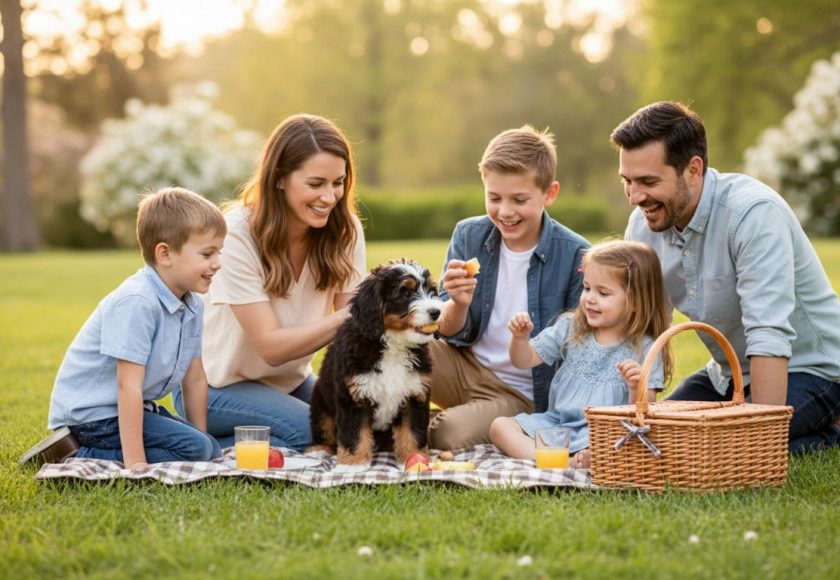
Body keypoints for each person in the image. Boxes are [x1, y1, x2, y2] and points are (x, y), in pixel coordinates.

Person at [613, 101, 840, 453]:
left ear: (693, 170)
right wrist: (644, 414)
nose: (635, 196)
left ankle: (830, 432)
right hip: (727, 376)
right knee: (660, 438)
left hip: (813, 369)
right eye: (627, 181)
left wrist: (758, 440)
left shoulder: (753, 215)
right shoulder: (643, 227)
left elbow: (768, 334)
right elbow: (647, 326)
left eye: (647, 181)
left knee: (722, 448)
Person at [172, 114, 366, 450]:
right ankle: (193, 439)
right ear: (279, 178)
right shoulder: (236, 234)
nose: (330, 197)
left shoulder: (345, 229)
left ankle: (248, 437)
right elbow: (271, 347)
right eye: (316, 183)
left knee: (360, 429)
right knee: (316, 434)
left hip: (287, 382)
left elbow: (353, 332)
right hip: (216, 387)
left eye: (338, 182)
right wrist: (357, 314)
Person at [20, 187, 225, 469]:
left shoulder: (192, 304)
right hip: (92, 417)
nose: (217, 264)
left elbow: (195, 378)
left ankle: (196, 448)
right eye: (207, 254)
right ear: (165, 254)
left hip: (125, 409)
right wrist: (136, 462)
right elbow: (127, 385)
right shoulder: (137, 302)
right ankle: (71, 456)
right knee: (196, 449)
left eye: (218, 253)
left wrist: (203, 442)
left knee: (208, 447)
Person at [428, 125, 591, 451]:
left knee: (446, 435)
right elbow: (445, 330)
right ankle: (374, 418)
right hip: (462, 363)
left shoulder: (575, 254)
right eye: (494, 198)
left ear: (550, 193)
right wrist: (457, 304)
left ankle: (406, 423)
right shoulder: (468, 235)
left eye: (519, 199)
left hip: (518, 392)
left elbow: (578, 350)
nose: (505, 212)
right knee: (386, 348)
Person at [490, 241, 672, 467]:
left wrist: (636, 388)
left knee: (621, 446)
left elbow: (644, 416)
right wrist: (519, 338)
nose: (590, 299)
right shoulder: (571, 326)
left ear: (635, 301)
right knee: (500, 426)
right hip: (557, 424)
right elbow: (523, 360)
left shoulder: (645, 347)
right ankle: (561, 462)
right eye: (586, 288)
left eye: (603, 292)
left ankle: (571, 459)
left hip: (604, 434)